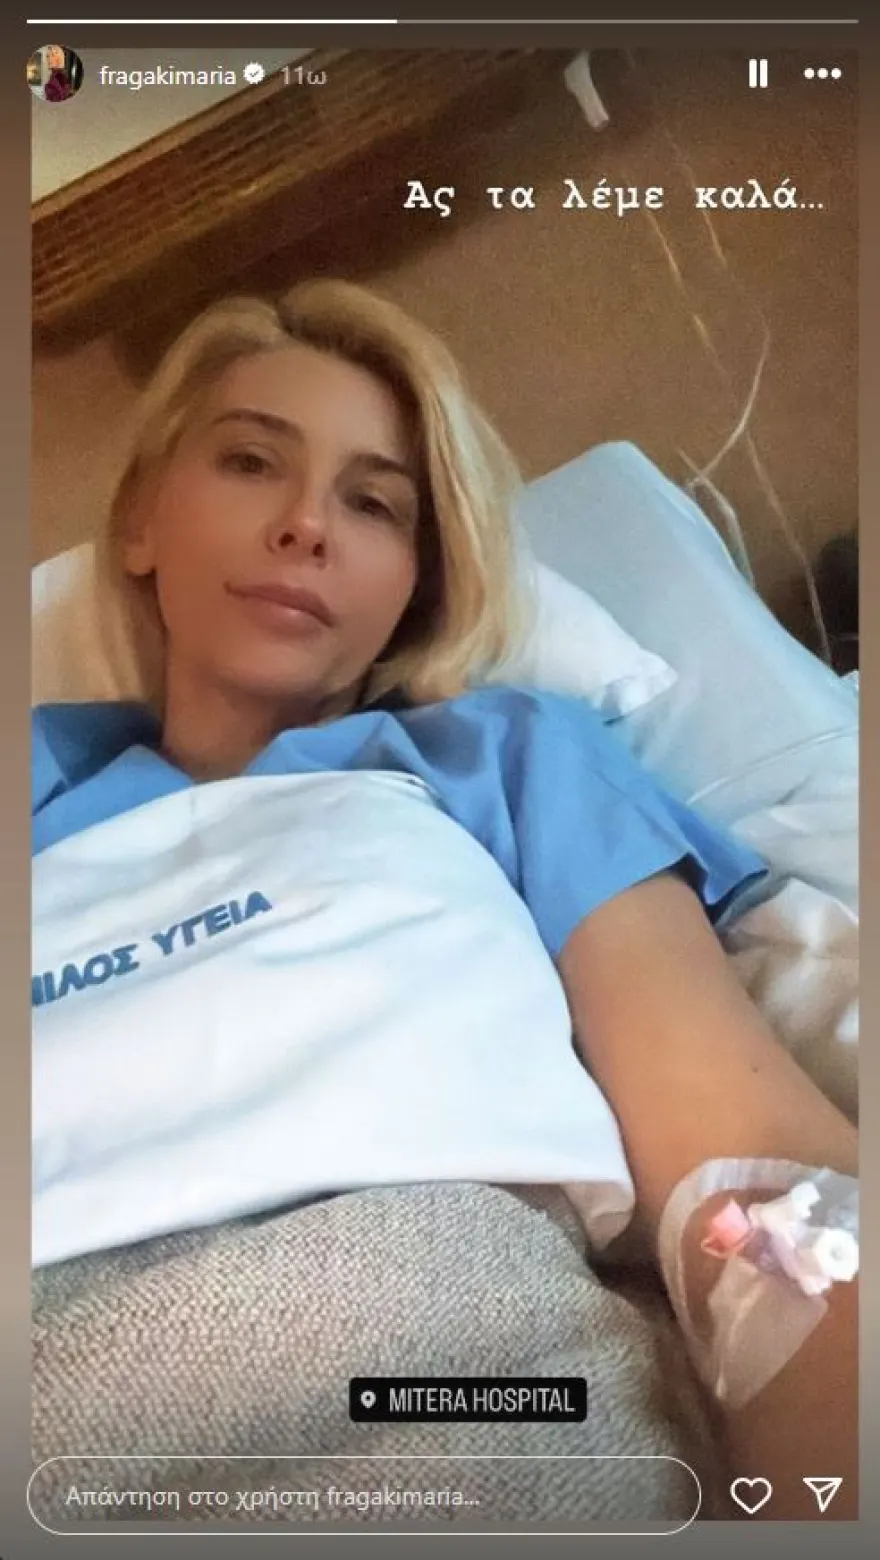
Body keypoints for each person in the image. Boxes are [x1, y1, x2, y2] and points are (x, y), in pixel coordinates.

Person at [32, 280, 858, 1519]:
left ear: (413, 582)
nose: (306, 525)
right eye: (251, 462)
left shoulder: (503, 758)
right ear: (141, 518)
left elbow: (758, 1184)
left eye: (373, 504)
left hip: (448, 1384)